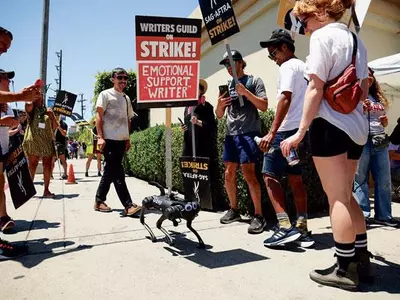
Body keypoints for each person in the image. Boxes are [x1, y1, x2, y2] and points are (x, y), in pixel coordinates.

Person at [281, 0, 372, 291]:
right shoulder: (356, 39)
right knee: (347, 195)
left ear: (319, 13)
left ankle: (343, 269)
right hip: (357, 128)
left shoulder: (323, 37)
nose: (304, 28)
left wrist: (300, 131)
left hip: (330, 125)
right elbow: (365, 85)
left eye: (304, 21)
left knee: (337, 199)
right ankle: (361, 261)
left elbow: (315, 88)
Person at [258, 29, 314, 248]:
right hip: (301, 132)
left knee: (269, 175)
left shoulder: (288, 66)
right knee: (295, 178)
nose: (273, 59)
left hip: (286, 132)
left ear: (283, 47)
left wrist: (272, 133)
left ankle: (283, 227)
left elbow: (285, 97)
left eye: (273, 53)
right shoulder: (305, 67)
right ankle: (302, 228)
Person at [216, 50, 268, 234]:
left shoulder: (254, 81)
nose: (228, 68)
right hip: (231, 135)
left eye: (230, 63)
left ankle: (259, 215)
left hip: (249, 133)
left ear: (240, 62)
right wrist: (219, 106)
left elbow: (264, 106)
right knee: (229, 174)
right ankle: (234, 209)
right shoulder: (227, 85)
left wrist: (246, 93)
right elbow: (220, 115)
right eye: (225, 65)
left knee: (249, 175)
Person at [353, 69, 399, 227]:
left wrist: (385, 122)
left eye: (371, 75)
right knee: (360, 179)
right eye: (366, 74)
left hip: (380, 139)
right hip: (362, 139)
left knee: (384, 180)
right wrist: (361, 109)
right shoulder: (355, 95)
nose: (370, 77)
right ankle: (363, 215)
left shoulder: (378, 98)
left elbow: (383, 123)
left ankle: (384, 216)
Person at [94, 67, 141, 216]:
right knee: (118, 172)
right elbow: (99, 117)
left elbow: (128, 120)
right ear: (113, 79)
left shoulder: (126, 99)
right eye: (119, 77)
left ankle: (99, 201)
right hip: (109, 140)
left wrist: (127, 138)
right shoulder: (105, 94)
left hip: (121, 140)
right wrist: (101, 137)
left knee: (110, 171)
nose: (123, 81)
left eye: (125, 78)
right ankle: (128, 205)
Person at [181, 79, 223, 210]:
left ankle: (208, 202)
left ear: (201, 90)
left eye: (197, 87)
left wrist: (198, 122)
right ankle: (191, 198)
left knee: (206, 175)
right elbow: (188, 124)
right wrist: (184, 127)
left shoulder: (207, 106)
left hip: (203, 147)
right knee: (190, 173)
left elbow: (212, 127)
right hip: (189, 145)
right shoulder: (187, 107)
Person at [23, 91, 58, 198]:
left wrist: (52, 116)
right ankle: (28, 191)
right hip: (33, 141)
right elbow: (28, 106)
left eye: (41, 96)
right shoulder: (32, 110)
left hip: (46, 141)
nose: (40, 98)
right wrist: (31, 97)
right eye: (37, 96)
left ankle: (46, 190)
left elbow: (55, 126)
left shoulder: (47, 111)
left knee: (47, 165)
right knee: (32, 165)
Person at [0, 70, 20, 233]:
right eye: (5, 78)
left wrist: (12, 125)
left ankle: (3, 217)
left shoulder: (8, 108)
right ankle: (3, 216)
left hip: (3, 149)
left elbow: (9, 129)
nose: (8, 81)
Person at [52, 113, 68, 179]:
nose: (56, 116)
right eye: (55, 115)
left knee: (63, 160)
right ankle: (50, 174)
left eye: (57, 115)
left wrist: (59, 127)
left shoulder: (64, 124)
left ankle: (65, 173)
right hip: (53, 144)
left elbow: (64, 134)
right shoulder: (51, 122)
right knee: (52, 160)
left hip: (61, 144)